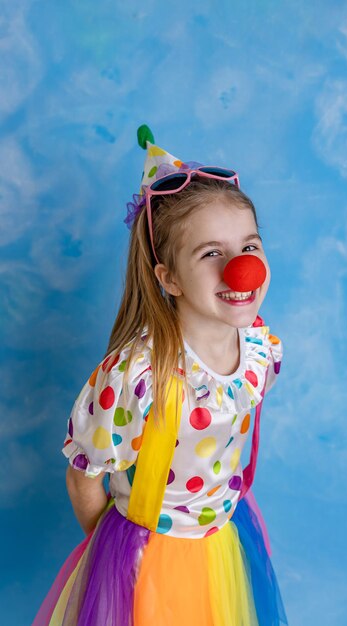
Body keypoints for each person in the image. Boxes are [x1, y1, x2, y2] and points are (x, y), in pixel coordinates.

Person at [32, 125, 289, 626]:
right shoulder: (138, 374)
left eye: (250, 246)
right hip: (147, 553)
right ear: (168, 277)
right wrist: (111, 559)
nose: (242, 269)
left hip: (223, 546)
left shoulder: (260, 350)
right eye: (211, 253)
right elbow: (85, 479)